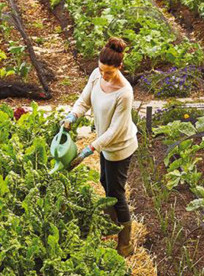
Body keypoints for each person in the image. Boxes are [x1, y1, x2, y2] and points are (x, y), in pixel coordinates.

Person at [63, 37, 138, 257]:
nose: (103, 75)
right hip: (105, 145)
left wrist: (90, 149)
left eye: (108, 73)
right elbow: (84, 100)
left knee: (116, 192)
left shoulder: (125, 92)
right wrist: (73, 115)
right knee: (104, 181)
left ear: (119, 67)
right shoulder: (97, 76)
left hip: (120, 147)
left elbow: (115, 131)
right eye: (101, 70)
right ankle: (112, 222)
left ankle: (125, 243)